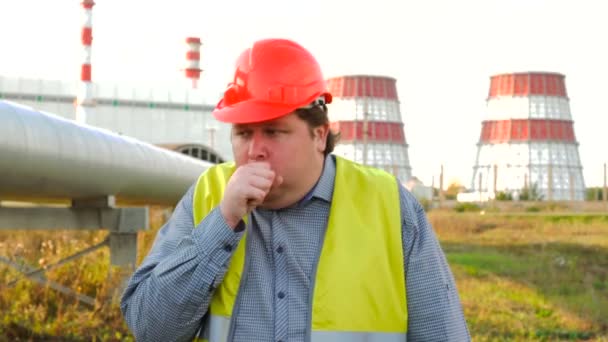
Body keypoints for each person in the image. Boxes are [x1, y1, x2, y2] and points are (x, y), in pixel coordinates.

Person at [121, 38, 470, 342]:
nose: (255, 150)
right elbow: (152, 330)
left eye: (273, 132)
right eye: (243, 133)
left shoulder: (389, 206)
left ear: (319, 135)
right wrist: (223, 222)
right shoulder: (209, 195)